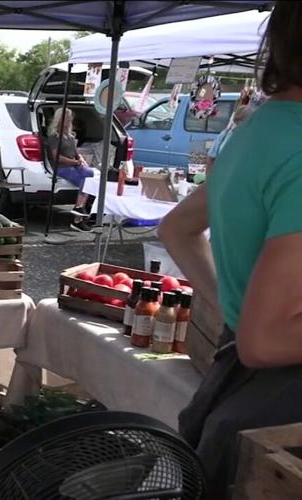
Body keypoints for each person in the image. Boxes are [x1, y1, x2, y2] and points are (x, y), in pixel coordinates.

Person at [158, 3, 302, 496]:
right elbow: (265, 342)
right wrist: (247, 318)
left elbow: (177, 228)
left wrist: (234, 306)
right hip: (281, 407)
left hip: (239, 384)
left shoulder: (260, 130)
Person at [48, 108, 94, 232]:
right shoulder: (54, 137)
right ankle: (78, 217)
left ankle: (80, 209)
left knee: (90, 174)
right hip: (62, 167)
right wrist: (75, 162)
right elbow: (57, 157)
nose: (68, 120)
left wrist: (81, 160)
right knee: (85, 180)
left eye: (69, 118)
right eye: (66, 118)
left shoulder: (71, 136)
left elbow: (75, 153)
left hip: (74, 164)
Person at [205, 104, 254, 175]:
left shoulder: (251, 139)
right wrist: (208, 179)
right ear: (236, 121)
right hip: (220, 175)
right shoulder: (225, 135)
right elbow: (211, 157)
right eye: (240, 121)